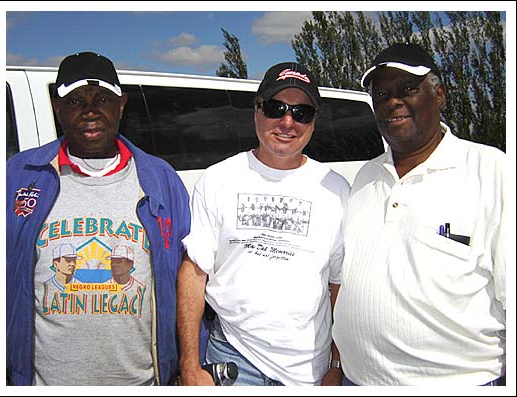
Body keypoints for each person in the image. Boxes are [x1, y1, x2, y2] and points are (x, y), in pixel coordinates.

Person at [6, 52, 190, 385]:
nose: (90, 111)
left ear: (121, 105)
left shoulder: (162, 181)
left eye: (102, 99)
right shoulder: (18, 176)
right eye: (75, 100)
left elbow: (189, 283)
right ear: (57, 108)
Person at [332, 43, 506, 386]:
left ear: (438, 95)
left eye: (407, 89)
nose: (392, 101)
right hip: (358, 380)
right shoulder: (366, 177)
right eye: (381, 94)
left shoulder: (493, 172)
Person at [176, 62, 350, 386]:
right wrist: (189, 365)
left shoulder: (337, 190)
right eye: (275, 108)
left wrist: (337, 363)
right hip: (232, 361)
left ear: (314, 120)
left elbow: (340, 286)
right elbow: (194, 272)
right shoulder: (217, 179)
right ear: (257, 111)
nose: (287, 121)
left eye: (302, 112)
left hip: (308, 371)